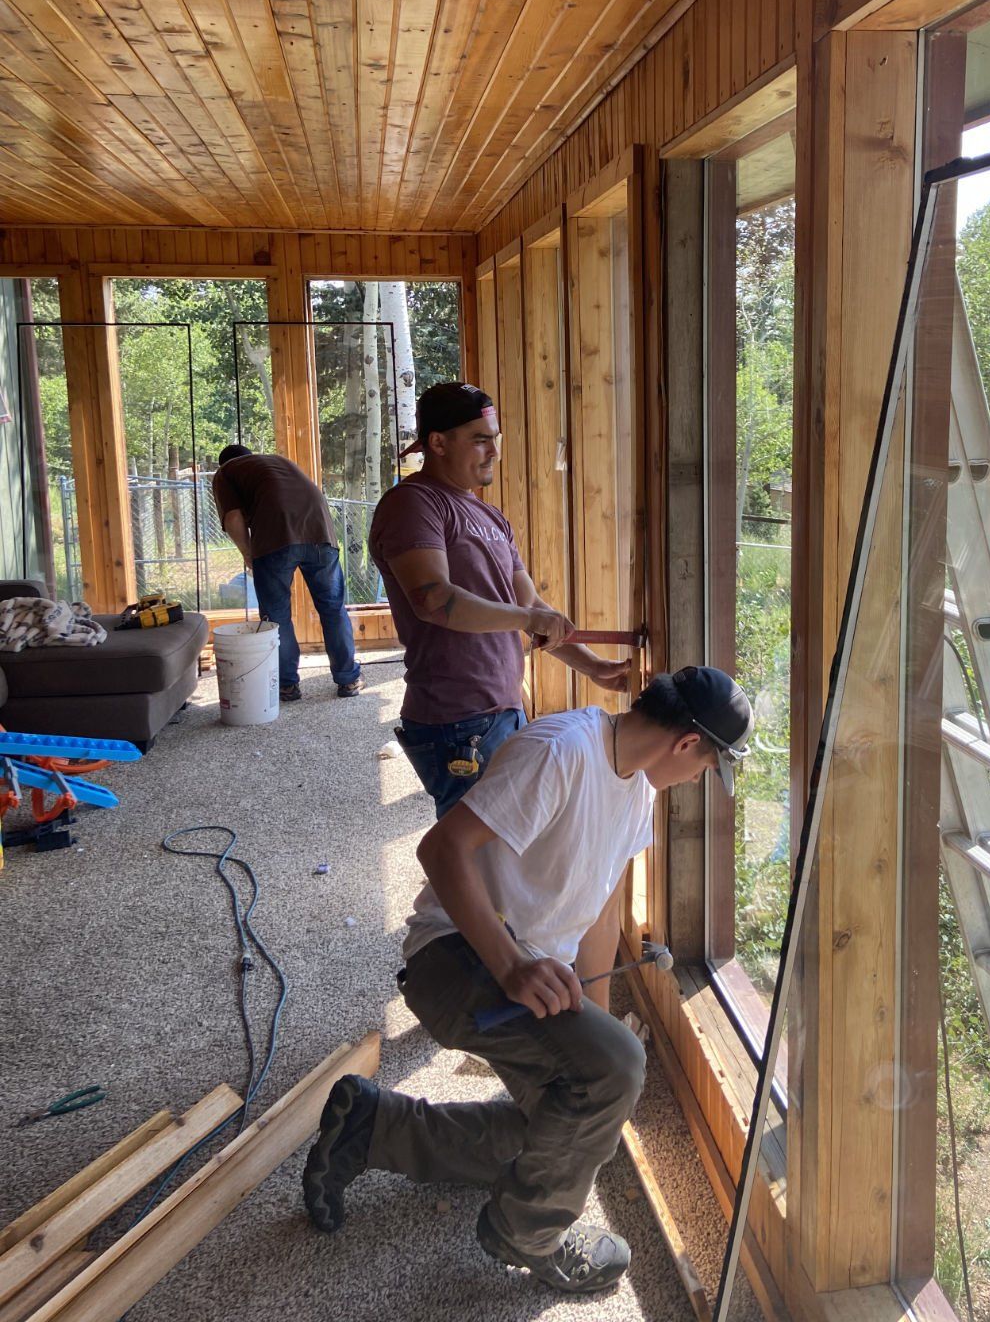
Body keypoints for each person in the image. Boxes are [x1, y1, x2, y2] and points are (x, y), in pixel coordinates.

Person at [303, 666, 754, 1294]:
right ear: (686, 744)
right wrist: (511, 966)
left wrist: (593, 1028)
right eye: (707, 765)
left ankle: (374, 1128)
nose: (700, 777)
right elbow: (440, 849)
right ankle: (530, 1235)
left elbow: (600, 911)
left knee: (566, 1137)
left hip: (519, 976)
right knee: (614, 1076)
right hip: (455, 958)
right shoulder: (560, 752)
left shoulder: (638, 791)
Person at [368, 382, 629, 815]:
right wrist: (527, 619)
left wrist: (596, 668)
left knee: (504, 850)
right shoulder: (413, 505)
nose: (494, 452)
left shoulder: (490, 516)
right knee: (478, 856)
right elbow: (433, 600)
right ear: (437, 443)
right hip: (456, 720)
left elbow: (534, 608)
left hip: (502, 709)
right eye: (480, 440)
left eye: (496, 440)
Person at [212, 445, 362, 702]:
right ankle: (348, 680)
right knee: (332, 608)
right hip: (320, 531)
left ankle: (287, 685)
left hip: (275, 537)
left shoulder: (226, 471)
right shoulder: (276, 462)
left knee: (276, 615)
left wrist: (247, 553)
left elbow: (233, 518)